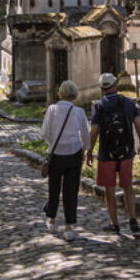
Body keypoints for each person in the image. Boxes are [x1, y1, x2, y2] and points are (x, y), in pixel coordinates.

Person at [86, 72, 140, 235]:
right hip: (126, 151)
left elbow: (94, 131)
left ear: (102, 88)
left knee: (109, 189)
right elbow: (139, 125)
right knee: (128, 186)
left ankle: (115, 223)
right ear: (115, 85)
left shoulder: (98, 105)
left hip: (107, 153)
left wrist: (89, 151)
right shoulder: (128, 102)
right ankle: (133, 220)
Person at [41, 80, 90, 241]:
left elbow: (45, 133)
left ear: (60, 93)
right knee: (71, 192)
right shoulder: (79, 112)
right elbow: (85, 134)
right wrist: (85, 149)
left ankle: (51, 220)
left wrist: (53, 144)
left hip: (56, 155)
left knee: (53, 189)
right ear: (74, 94)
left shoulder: (52, 109)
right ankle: (69, 227)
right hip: (74, 153)